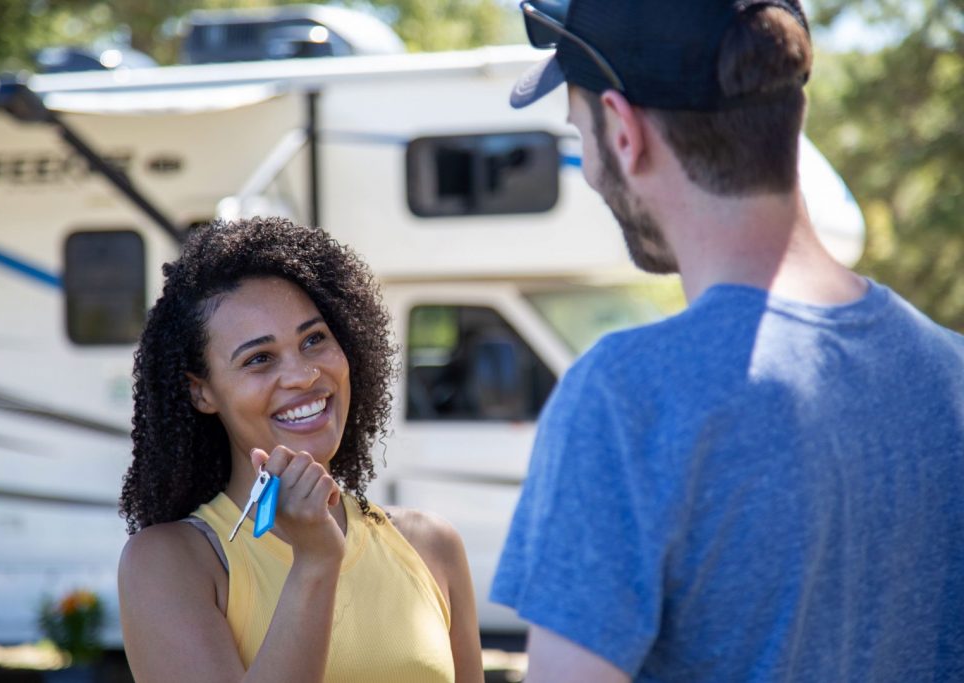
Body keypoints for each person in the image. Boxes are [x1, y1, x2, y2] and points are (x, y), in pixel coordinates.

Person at [491, 1, 964, 681]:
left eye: (579, 132)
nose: (589, 166)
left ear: (623, 132)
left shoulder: (626, 399)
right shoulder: (951, 373)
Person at [118, 216, 483, 683]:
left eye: (314, 340)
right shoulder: (170, 563)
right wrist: (314, 561)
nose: (304, 375)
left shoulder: (431, 547)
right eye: (259, 359)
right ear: (201, 392)